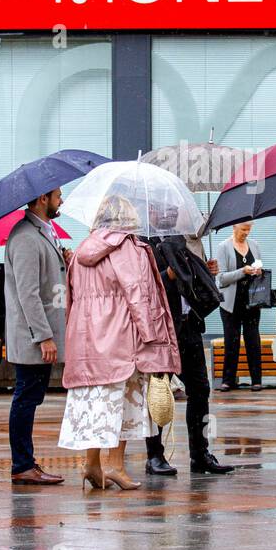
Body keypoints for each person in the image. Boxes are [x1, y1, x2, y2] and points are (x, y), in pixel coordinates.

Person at [59, 195, 180, 490]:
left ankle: (91, 464)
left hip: (87, 340)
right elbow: (140, 295)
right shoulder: (129, 248)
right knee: (123, 401)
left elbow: (71, 297)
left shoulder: (80, 251)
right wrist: (153, 337)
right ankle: (116, 466)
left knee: (97, 400)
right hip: (122, 338)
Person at [144, 234, 234, 477]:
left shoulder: (180, 241)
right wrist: (166, 277)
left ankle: (200, 453)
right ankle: (154, 454)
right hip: (162, 328)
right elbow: (140, 286)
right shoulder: (143, 244)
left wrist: (206, 269)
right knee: (158, 391)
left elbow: (190, 277)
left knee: (200, 389)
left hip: (189, 324)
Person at [4, 187, 69, 486]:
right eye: (58, 196)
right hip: (31, 336)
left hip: (41, 332)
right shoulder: (26, 237)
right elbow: (27, 293)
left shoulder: (43, 231)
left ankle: (25, 462)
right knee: (26, 397)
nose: (62, 201)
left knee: (31, 396)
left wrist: (64, 262)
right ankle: (22, 465)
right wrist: (43, 337)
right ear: (43, 199)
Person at [215, 221, 265, 391]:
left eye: (249, 229)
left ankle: (256, 380)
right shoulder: (223, 247)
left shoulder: (255, 245)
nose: (246, 233)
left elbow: (259, 267)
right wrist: (242, 272)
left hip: (252, 302)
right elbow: (221, 278)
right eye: (243, 229)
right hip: (230, 304)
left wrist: (258, 271)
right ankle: (228, 380)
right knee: (231, 342)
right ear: (234, 227)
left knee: (253, 341)